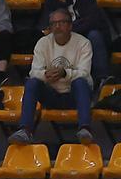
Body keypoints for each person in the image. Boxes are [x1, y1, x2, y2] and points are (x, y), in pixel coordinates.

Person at [9, 9, 94, 146]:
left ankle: (85, 129)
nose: (57, 26)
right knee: (32, 82)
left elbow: (84, 72)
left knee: (80, 82)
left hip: (74, 95)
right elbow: (34, 71)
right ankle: (24, 130)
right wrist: (45, 75)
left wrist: (64, 73)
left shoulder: (83, 43)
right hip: (51, 94)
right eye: (54, 23)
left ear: (70, 25)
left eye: (61, 22)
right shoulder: (43, 43)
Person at [39, 0, 111, 85]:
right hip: (67, 36)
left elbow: (91, 22)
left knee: (94, 35)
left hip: (87, 35)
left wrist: (68, 28)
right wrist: (61, 3)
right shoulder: (51, 0)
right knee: (47, 37)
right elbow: (51, 23)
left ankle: (102, 79)